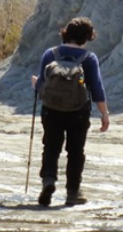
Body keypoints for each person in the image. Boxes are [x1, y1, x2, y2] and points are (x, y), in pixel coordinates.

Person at [31, 17, 110, 207]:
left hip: (51, 110)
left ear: (66, 33)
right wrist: (104, 114)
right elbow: (97, 89)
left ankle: (48, 180)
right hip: (79, 111)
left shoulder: (50, 54)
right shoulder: (89, 59)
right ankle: (73, 193)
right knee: (75, 151)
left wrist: (35, 84)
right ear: (87, 38)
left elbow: (41, 85)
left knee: (51, 147)